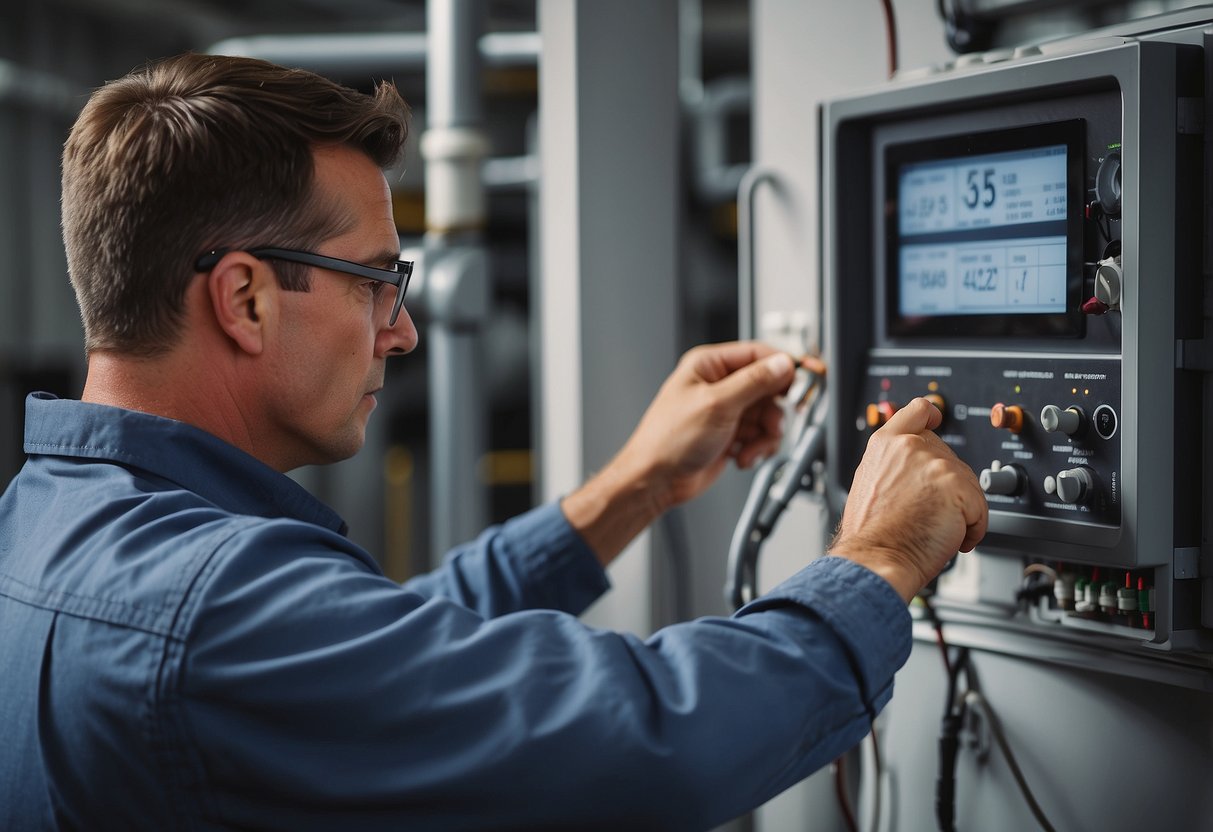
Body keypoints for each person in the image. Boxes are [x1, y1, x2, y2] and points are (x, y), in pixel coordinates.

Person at [0, 52, 986, 831]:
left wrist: (634, 486)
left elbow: (379, 661)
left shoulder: (42, 523)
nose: (403, 328)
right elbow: (652, 745)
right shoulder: (208, 608)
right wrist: (880, 556)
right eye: (377, 280)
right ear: (246, 298)